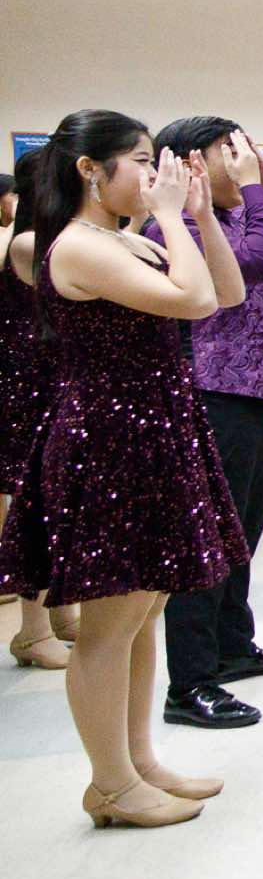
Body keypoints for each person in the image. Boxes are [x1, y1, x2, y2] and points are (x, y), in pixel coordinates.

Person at [0, 111, 252, 830]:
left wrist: (200, 217)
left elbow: (227, 293)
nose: (152, 173)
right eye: (141, 160)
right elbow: (193, 301)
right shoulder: (77, 246)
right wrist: (169, 215)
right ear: (90, 169)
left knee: (143, 615)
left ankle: (138, 759)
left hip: (152, 431)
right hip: (111, 441)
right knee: (110, 625)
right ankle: (109, 782)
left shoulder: (123, 239)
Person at [144, 118, 263, 730]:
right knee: (208, 539)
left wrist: (260, 188)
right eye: (227, 150)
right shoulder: (177, 225)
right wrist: (256, 189)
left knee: (242, 532)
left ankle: (234, 646)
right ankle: (191, 681)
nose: (244, 159)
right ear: (190, 163)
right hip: (212, 390)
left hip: (256, 387)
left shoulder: (231, 214)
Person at [1, 148, 75, 669]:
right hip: (28, 381)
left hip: (52, 375)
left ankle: (60, 612)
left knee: (59, 499)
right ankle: (32, 630)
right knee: (37, 504)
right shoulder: (29, 243)